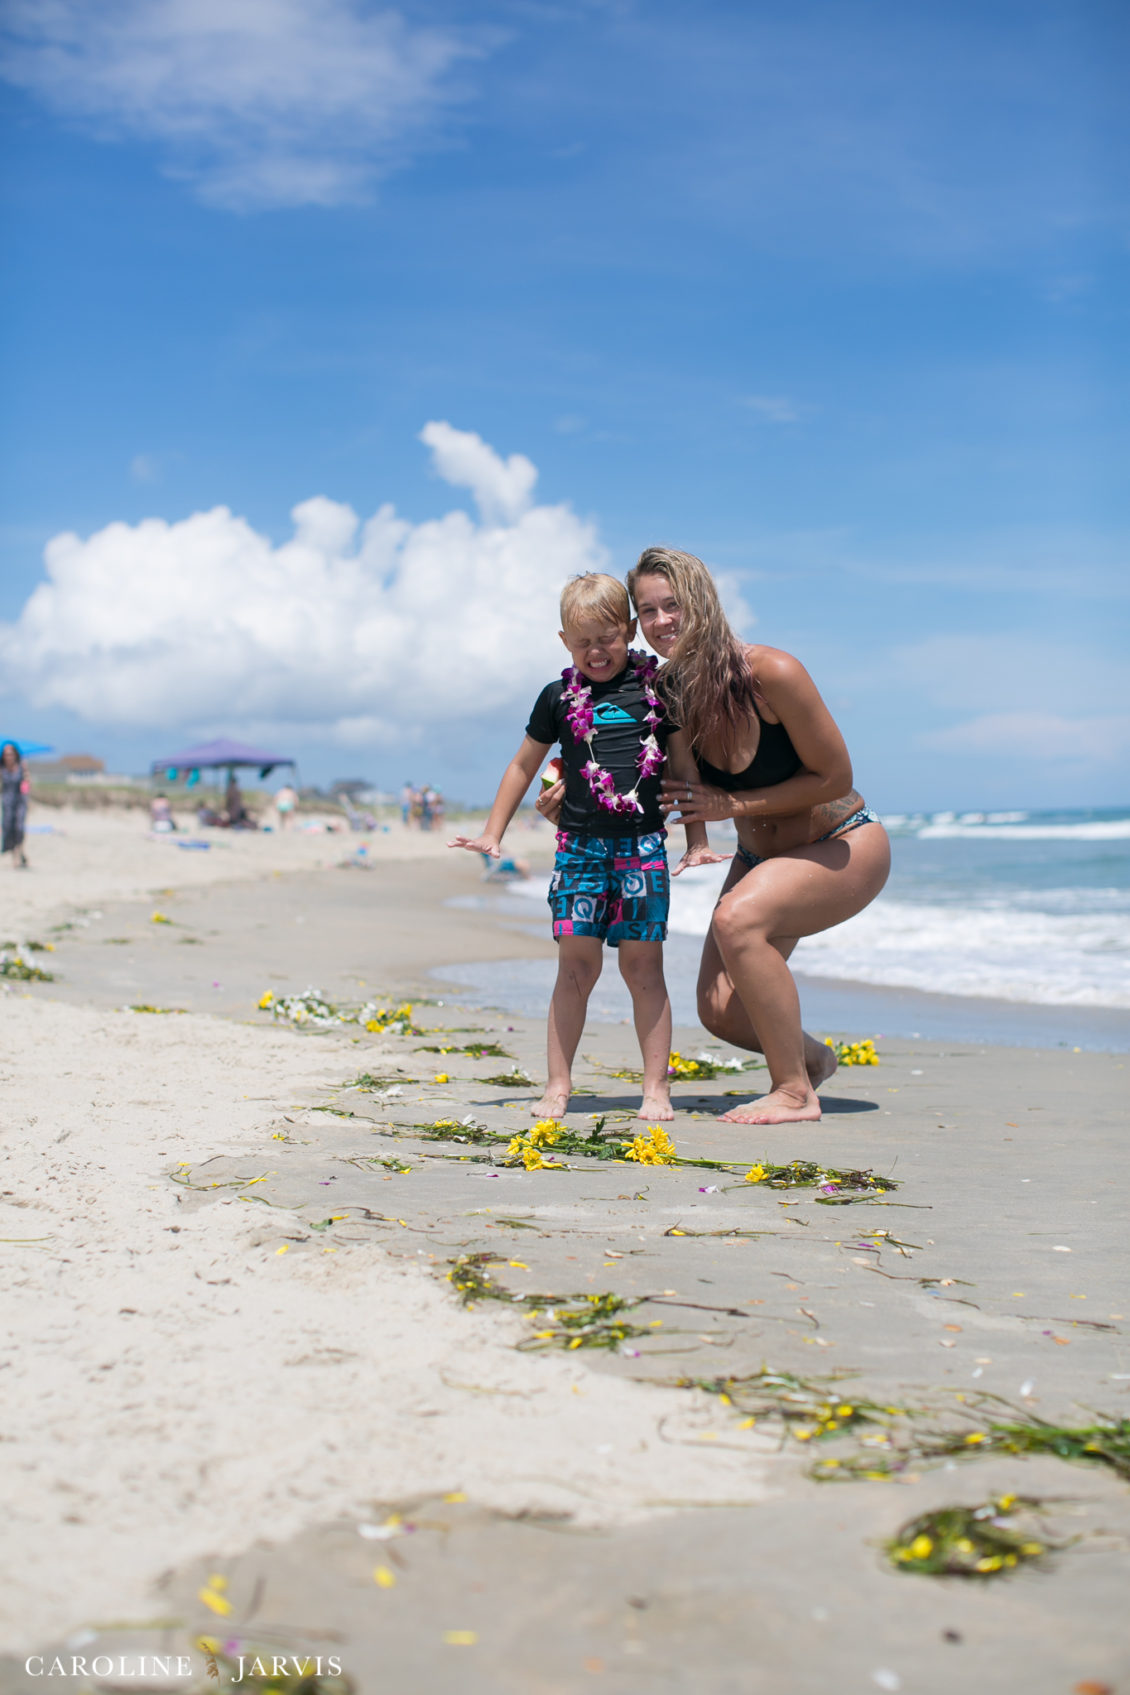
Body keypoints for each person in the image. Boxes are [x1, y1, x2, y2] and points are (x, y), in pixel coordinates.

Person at [449, 571, 727, 1120]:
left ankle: (656, 1089)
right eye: (582, 642)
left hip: (644, 848)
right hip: (577, 849)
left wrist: (696, 841)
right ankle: (557, 1085)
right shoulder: (557, 698)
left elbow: (684, 769)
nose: (596, 651)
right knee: (575, 970)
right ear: (564, 643)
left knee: (644, 971)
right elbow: (525, 765)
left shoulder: (659, 692)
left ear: (628, 631)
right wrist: (492, 832)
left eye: (607, 637)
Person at [627, 546, 890, 1126]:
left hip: (843, 843)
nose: (661, 621)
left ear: (703, 601)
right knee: (720, 1011)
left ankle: (794, 1092)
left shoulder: (772, 672)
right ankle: (814, 1060)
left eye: (673, 604)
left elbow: (835, 778)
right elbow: (670, 784)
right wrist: (564, 803)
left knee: (736, 920)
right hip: (758, 855)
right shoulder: (669, 693)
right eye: (647, 611)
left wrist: (731, 803)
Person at [1, 742, 29, 869]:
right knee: (8, 827)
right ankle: (17, 854)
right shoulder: (1, 768)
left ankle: (18, 856)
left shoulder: (21, 767)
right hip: (7, 802)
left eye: (11, 754)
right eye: (6, 754)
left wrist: (26, 777)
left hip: (20, 801)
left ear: (15, 754)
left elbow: (26, 785)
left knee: (19, 827)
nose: (9, 756)